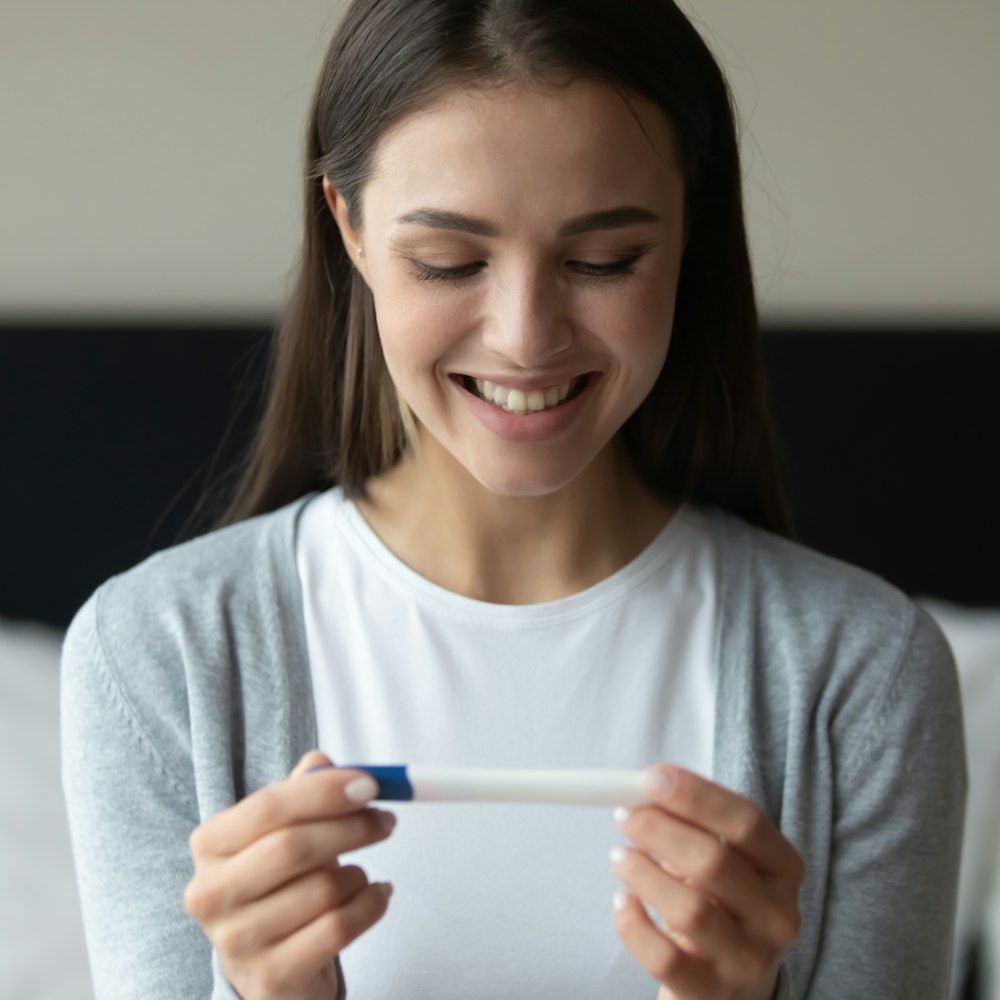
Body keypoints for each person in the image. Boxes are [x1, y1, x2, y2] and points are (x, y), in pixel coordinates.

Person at [61, 1, 966, 998]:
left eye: (603, 260)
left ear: (688, 233)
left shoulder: (864, 675)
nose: (526, 337)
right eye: (449, 261)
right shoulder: (161, 653)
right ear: (348, 228)